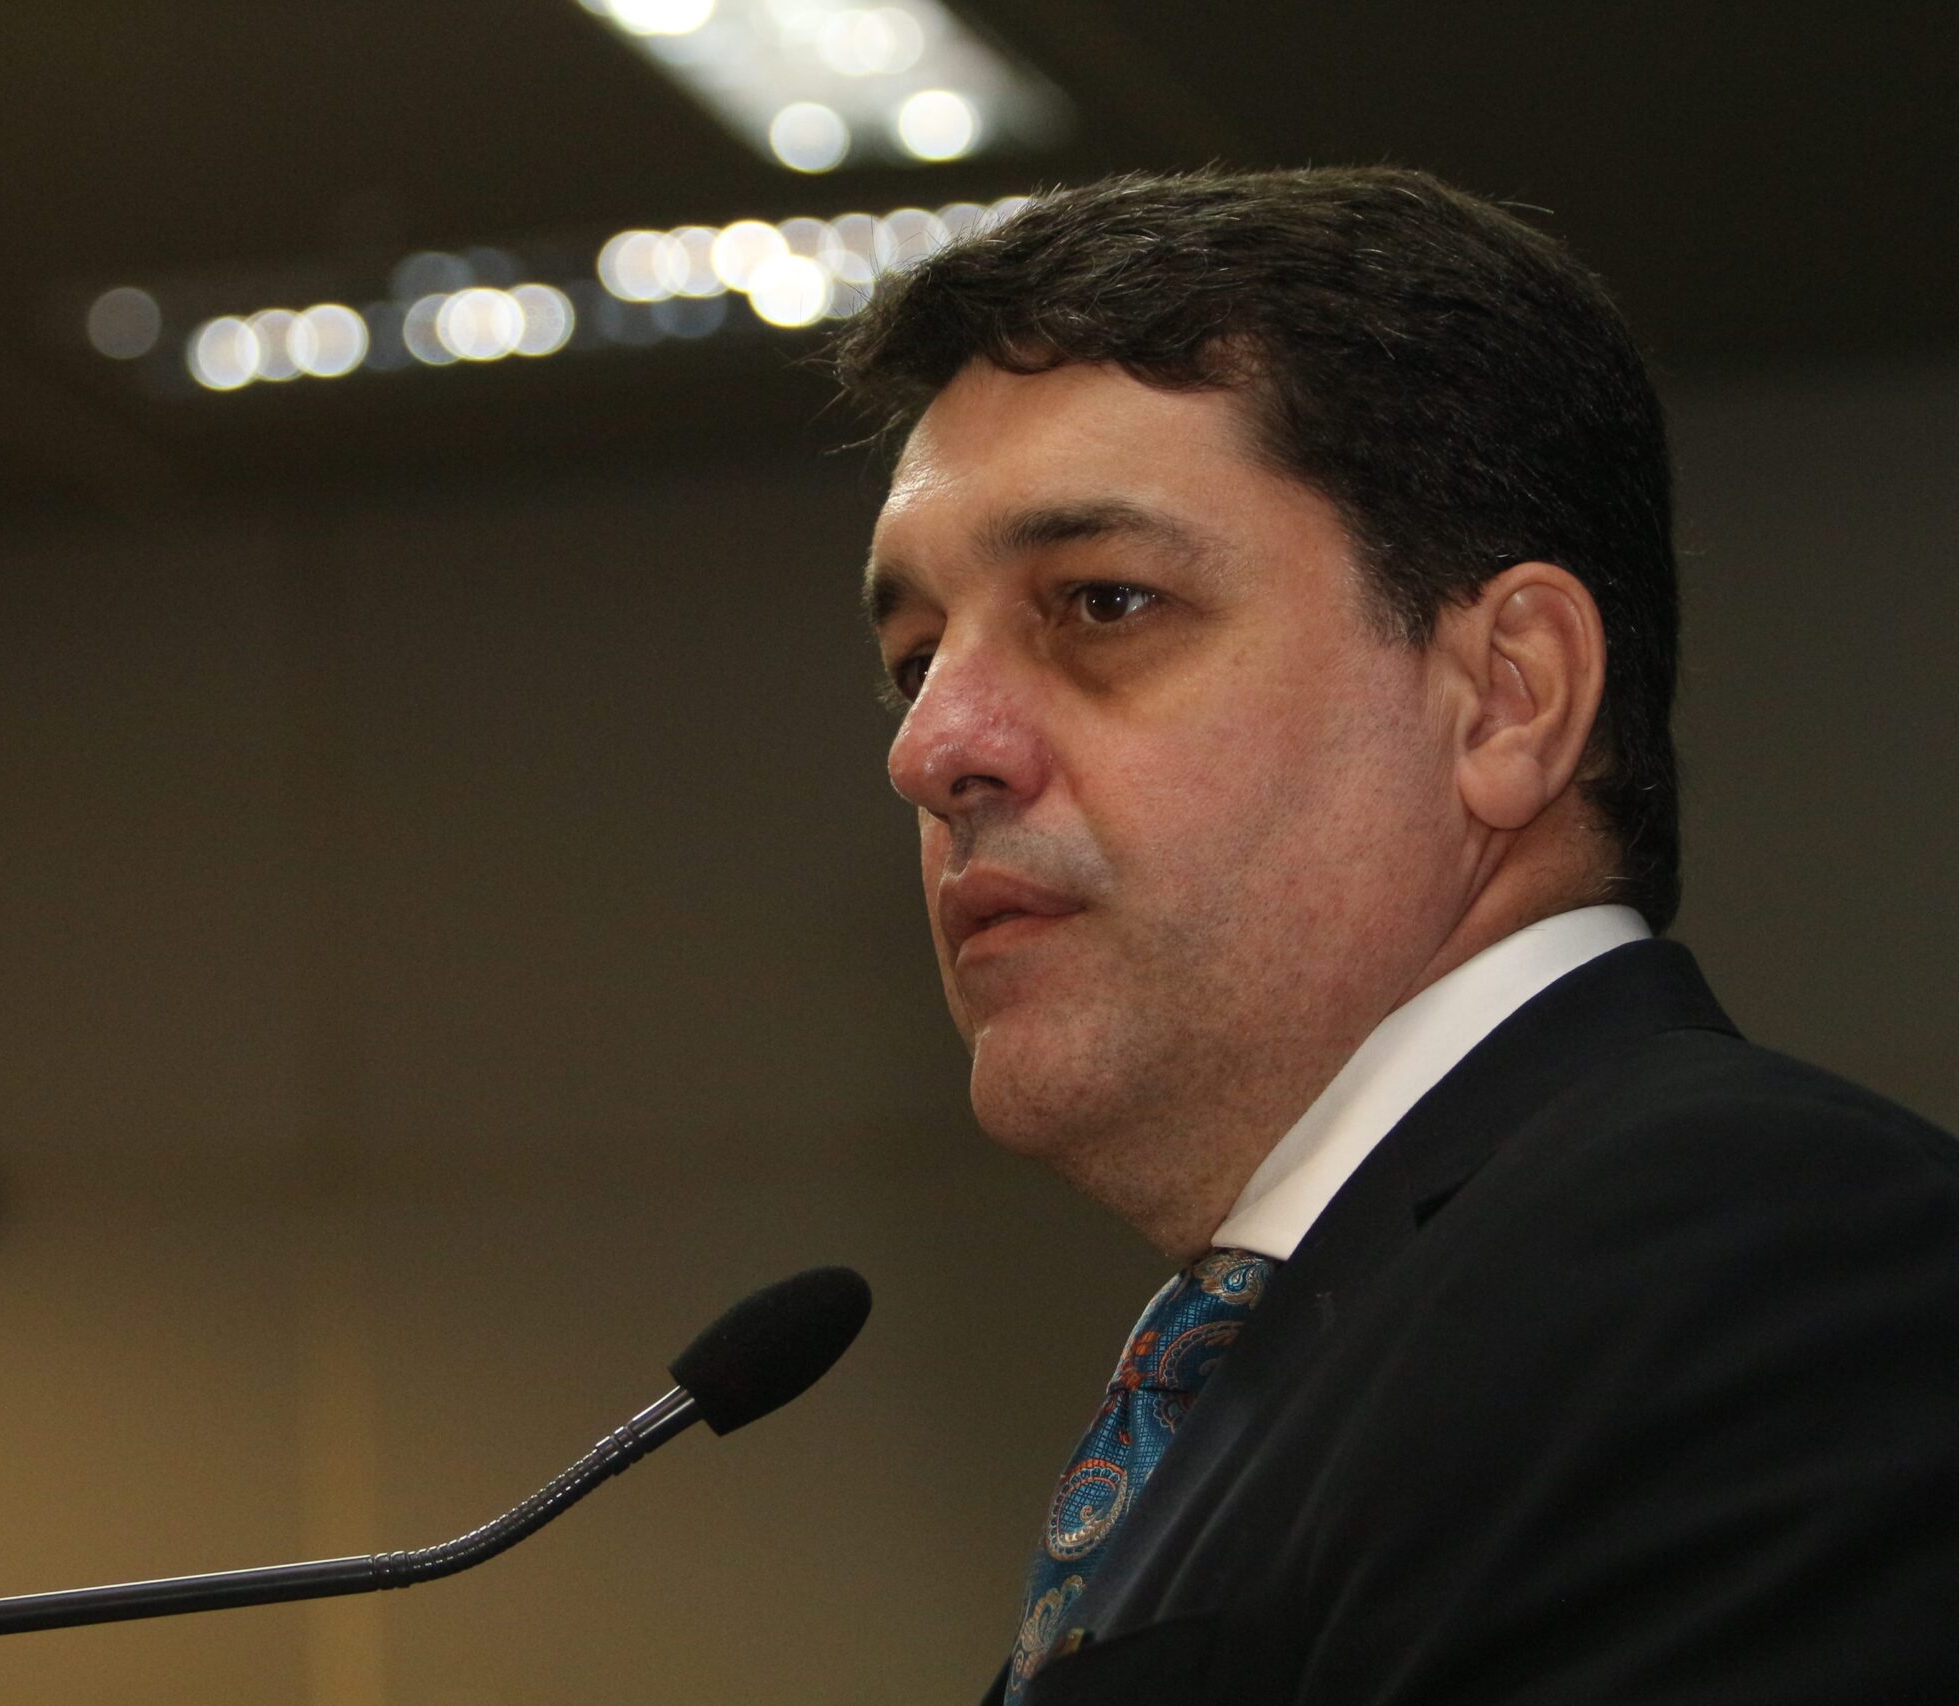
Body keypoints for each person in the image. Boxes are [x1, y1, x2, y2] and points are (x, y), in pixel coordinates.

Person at [834, 166, 1959, 1705]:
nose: (933, 748)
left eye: (1101, 603)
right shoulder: (1330, 1338)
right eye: (916, 660)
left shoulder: (1744, 1253)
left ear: (1507, 696)